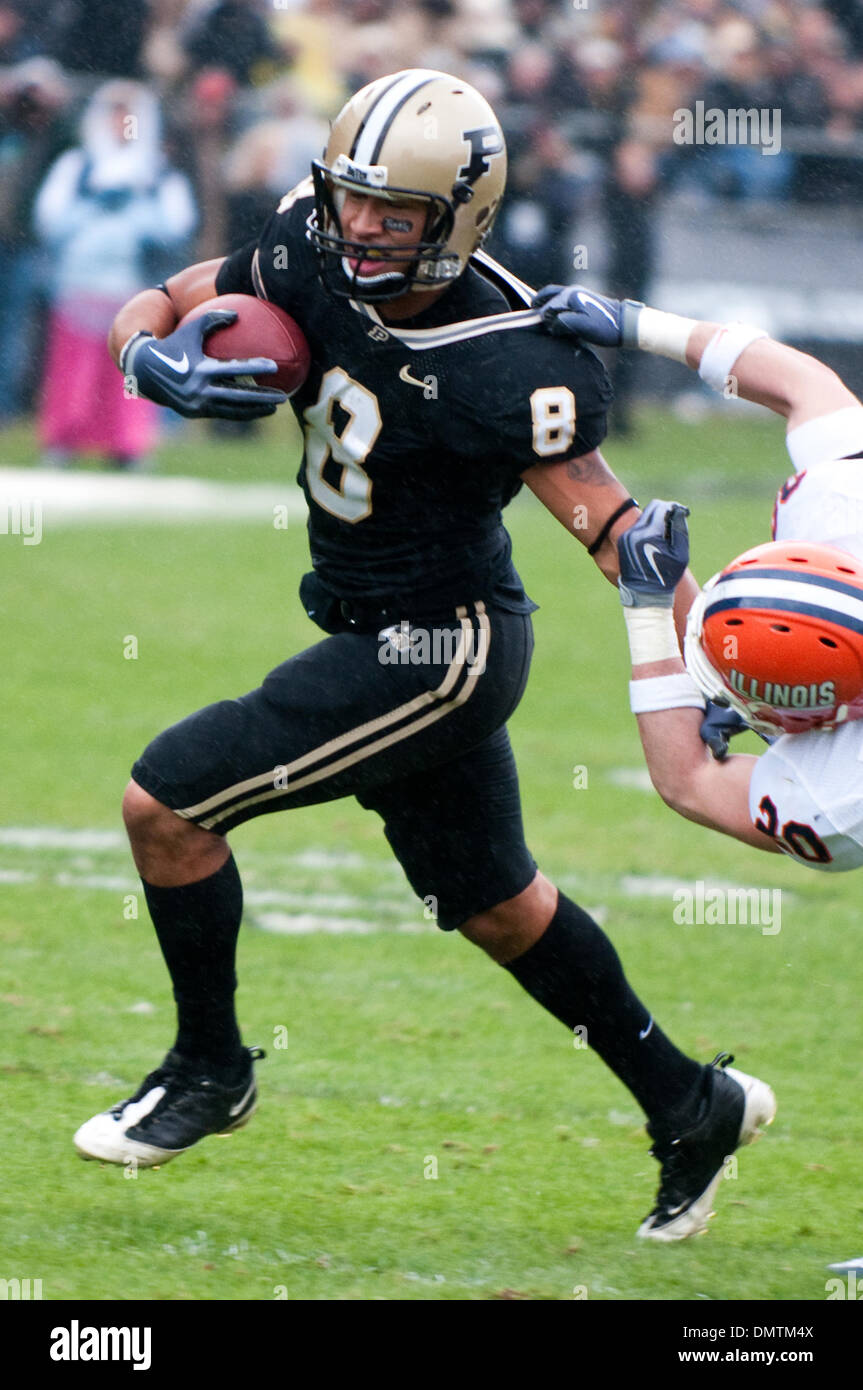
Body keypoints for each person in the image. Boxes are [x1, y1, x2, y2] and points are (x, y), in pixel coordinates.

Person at [73, 70, 775, 1243]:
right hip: (363, 622)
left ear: (460, 217)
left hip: (441, 649)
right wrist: (148, 360)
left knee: (168, 800)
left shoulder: (510, 353)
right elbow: (164, 296)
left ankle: (209, 1068)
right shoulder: (312, 240)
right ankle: (687, 1102)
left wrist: (713, 668)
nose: (358, 228)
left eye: (392, 213)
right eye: (349, 200)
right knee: (499, 906)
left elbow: (612, 529)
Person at [534, 282, 863, 870]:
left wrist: (648, 609)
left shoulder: (837, 800)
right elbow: (800, 384)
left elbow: (688, 783)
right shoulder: (845, 512)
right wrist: (634, 323)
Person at [34, 80, 196, 470]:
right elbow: (48, 221)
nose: (120, 123)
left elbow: (178, 226)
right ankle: (63, 441)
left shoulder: (157, 173)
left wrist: (136, 212)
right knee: (74, 368)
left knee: (131, 370)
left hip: (133, 289)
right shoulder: (76, 167)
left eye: (129, 115)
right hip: (79, 287)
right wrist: (93, 205)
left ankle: (128, 446)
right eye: (113, 113)